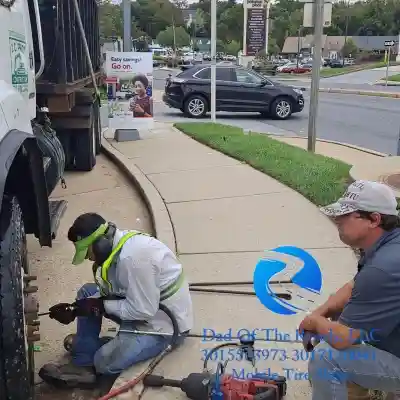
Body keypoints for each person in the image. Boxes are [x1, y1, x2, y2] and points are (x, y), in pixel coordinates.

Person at [39, 213, 193, 387]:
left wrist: (101, 306)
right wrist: (76, 308)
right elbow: (112, 291)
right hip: (142, 308)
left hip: (161, 326)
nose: (89, 258)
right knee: (87, 293)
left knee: (103, 361)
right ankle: (83, 360)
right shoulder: (117, 248)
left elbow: (143, 310)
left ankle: (96, 360)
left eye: (88, 252)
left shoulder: (134, 259)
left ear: (100, 244)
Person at [298, 180, 400, 399]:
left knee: (327, 357)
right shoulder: (389, 243)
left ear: (374, 219)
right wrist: (321, 312)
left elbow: (344, 338)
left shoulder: (383, 268)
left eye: (346, 215)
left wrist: (314, 322)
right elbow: (356, 284)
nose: (337, 219)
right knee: (347, 320)